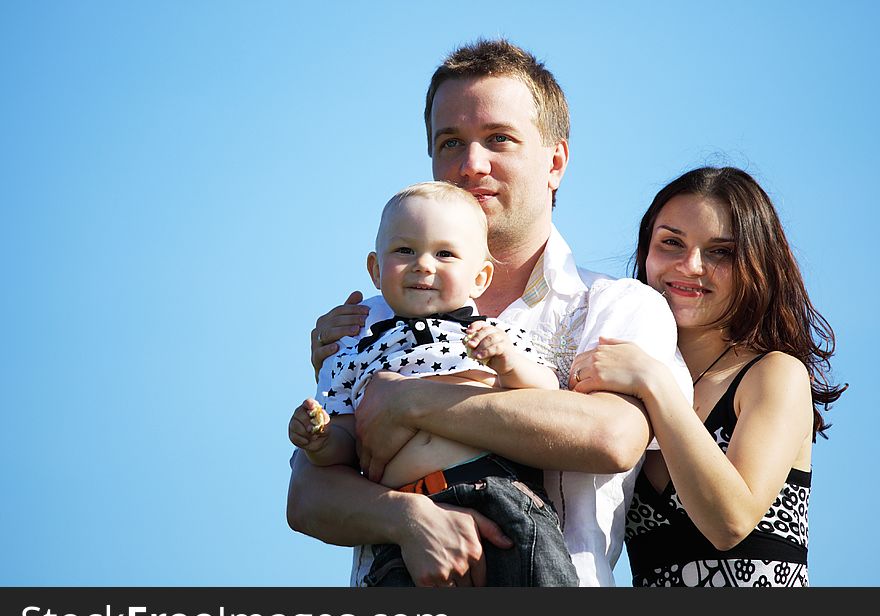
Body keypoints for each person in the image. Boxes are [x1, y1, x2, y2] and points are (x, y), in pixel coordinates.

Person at [288, 38, 692, 587]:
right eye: (450, 142)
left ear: (555, 161)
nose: (470, 164)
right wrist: (409, 518)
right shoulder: (366, 322)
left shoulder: (618, 305)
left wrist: (410, 400)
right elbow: (308, 495)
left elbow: (611, 437)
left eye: (498, 139)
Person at [290, 180, 578, 586]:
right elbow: (344, 443)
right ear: (375, 269)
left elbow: (547, 395)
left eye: (445, 254)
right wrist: (319, 440)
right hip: (402, 517)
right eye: (405, 251)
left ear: (480, 277)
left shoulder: (492, 333)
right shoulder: (354, 351)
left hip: (500, 494)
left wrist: (508, 363)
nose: (424, 264)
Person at [570, 166, 847, 586]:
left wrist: (654, 381)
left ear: (757, 264)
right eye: (671, 243)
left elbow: (730, 523)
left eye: (721, 252)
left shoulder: (772, 374)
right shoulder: (622, 381)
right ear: (646, 252)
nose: (691, 265)